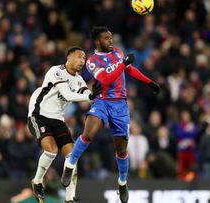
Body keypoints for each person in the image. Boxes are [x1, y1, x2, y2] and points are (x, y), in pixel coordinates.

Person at [61, 26, 160, 203]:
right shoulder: (92, 61)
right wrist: (123, 63)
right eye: (107, 38)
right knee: (88, 134)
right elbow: (105, 80)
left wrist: (149, 82)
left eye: (111, 38)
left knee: (121, 149)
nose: (111, 41)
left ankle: (122, 183)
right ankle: (70, 165)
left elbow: (128, 70)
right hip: (102, 102)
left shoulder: (118, 52)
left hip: (120, 106)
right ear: (98, 41)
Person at [27, 46, 102, 203]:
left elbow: (84, 94)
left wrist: (95, 94)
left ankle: (70, 198)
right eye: (79, 57)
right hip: (39, 114)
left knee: (72, 156)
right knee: (52, 151)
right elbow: (68, 94)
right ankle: (38, 181)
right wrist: (90, 95)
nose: (82, 60)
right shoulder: (56, 71)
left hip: (57, 119)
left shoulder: (79, 80)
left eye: (84, 58)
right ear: (68, 58)